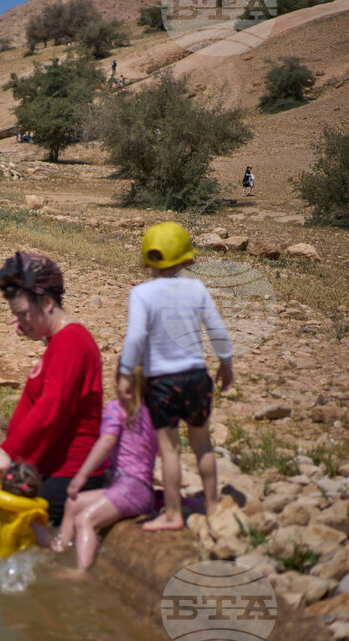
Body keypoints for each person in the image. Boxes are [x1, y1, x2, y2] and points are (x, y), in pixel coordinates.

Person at [119, 222, 234, 531]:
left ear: (147, 259)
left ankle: (172, 514)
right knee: (203, 443)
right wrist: (226, 364)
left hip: (162, 382)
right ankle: (211, 504)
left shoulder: (141, 293)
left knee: (169, 449)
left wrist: (126, 373)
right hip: (196, 378)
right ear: (186, 258)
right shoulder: (196, 289)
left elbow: (135, 338)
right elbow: (217, 329)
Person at [0, 252, 104, 526]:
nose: (19, 322)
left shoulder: (71, 345)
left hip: (67, 476)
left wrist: (7, 452)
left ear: (48, 303)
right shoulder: (60, 342)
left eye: (24, 313)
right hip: (47, 469)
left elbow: (51, 407)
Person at [52, 366, 157, 571]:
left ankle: (82, 571)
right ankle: (59, 550)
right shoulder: (152, 415)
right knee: (73, 503)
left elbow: (107, 441)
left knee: (85, 519)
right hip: (138, 490)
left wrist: (82, 476)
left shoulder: (116, 409)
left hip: (130, 491)